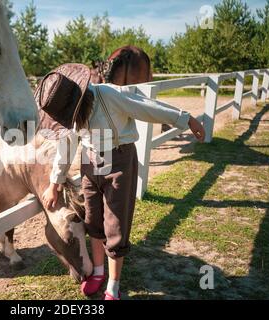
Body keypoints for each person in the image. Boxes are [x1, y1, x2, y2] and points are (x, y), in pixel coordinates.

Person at [37, 63, 205, 300]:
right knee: (93, 220)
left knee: (115, 224)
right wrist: (55, 184)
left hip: (118, 161)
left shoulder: (107, 95)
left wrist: (185, 119)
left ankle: (113, 286)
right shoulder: (69, 112)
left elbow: (146, 107)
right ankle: (97, 272)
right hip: (89, 163)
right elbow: (66, 146)